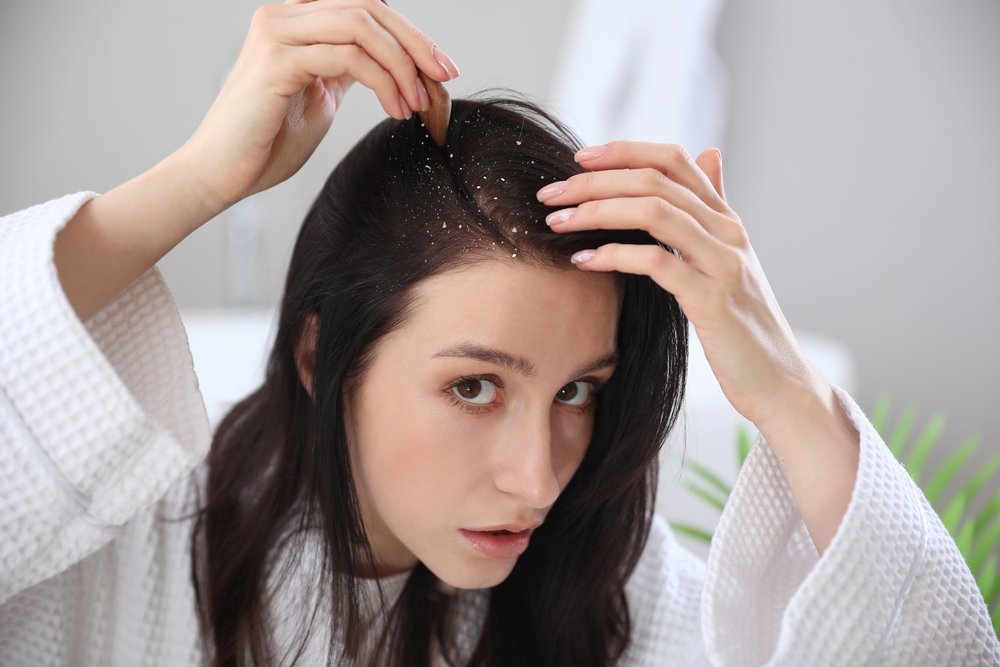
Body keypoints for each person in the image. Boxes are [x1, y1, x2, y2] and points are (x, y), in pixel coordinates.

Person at [0, 2, 996, 665]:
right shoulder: (122, 543)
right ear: (320, 357)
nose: (537, 477)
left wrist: (788, 390)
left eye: (578, 391)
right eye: (474, 386)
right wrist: (196, 181)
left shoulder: (611, 590)